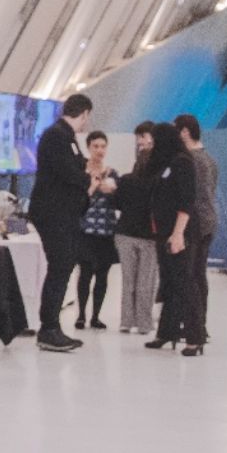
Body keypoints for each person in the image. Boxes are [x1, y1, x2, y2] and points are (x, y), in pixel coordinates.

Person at [28, 92, 95, 351]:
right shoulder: (56, 136)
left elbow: (77, 166)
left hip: (63, 213)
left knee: (63, 265)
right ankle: (49, 328)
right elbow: (70, 172)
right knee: (61, 265)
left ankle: (51, 325)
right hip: (53, 213)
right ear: (85, 113)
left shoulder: (66, 137)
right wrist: (88, 179)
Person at [147, 124, 200, 354]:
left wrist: (178, 234)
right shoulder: (166, 163)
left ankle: (194, 337)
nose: (150, 145)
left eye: (153, 140)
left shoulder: (183, 163)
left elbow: (186, 202)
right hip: (164, 232)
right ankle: (166, 332)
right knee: (168, 283)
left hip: (180, 232)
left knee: (185, 283)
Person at [114, 124, 162, 336]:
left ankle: (126, 321)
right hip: (149, 237)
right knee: (146, 281)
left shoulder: (125, 180)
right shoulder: (158, 184)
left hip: (124, 234)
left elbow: (117, 204)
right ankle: (144, 323)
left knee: (128, 280)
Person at [176, 113, 219, 333]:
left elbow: (192, 195)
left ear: (185, 131)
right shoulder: (210, 159)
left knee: (192, 275)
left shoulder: (192, 160)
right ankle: (199, 323)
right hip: (209, 220)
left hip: (196, 223)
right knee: (199, 274)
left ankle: (195, 324)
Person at [74, 130, 119, 330]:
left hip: (106, 230)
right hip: (86, 229)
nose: (99, 150)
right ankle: (81, 314)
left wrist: (113, 190)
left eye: (103, 146)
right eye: (95, 146)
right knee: (85, 273)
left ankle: (96, 316)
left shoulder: (112, 173)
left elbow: (118, 200)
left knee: (103, 275)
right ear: (89, 147)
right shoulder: (81, 171)